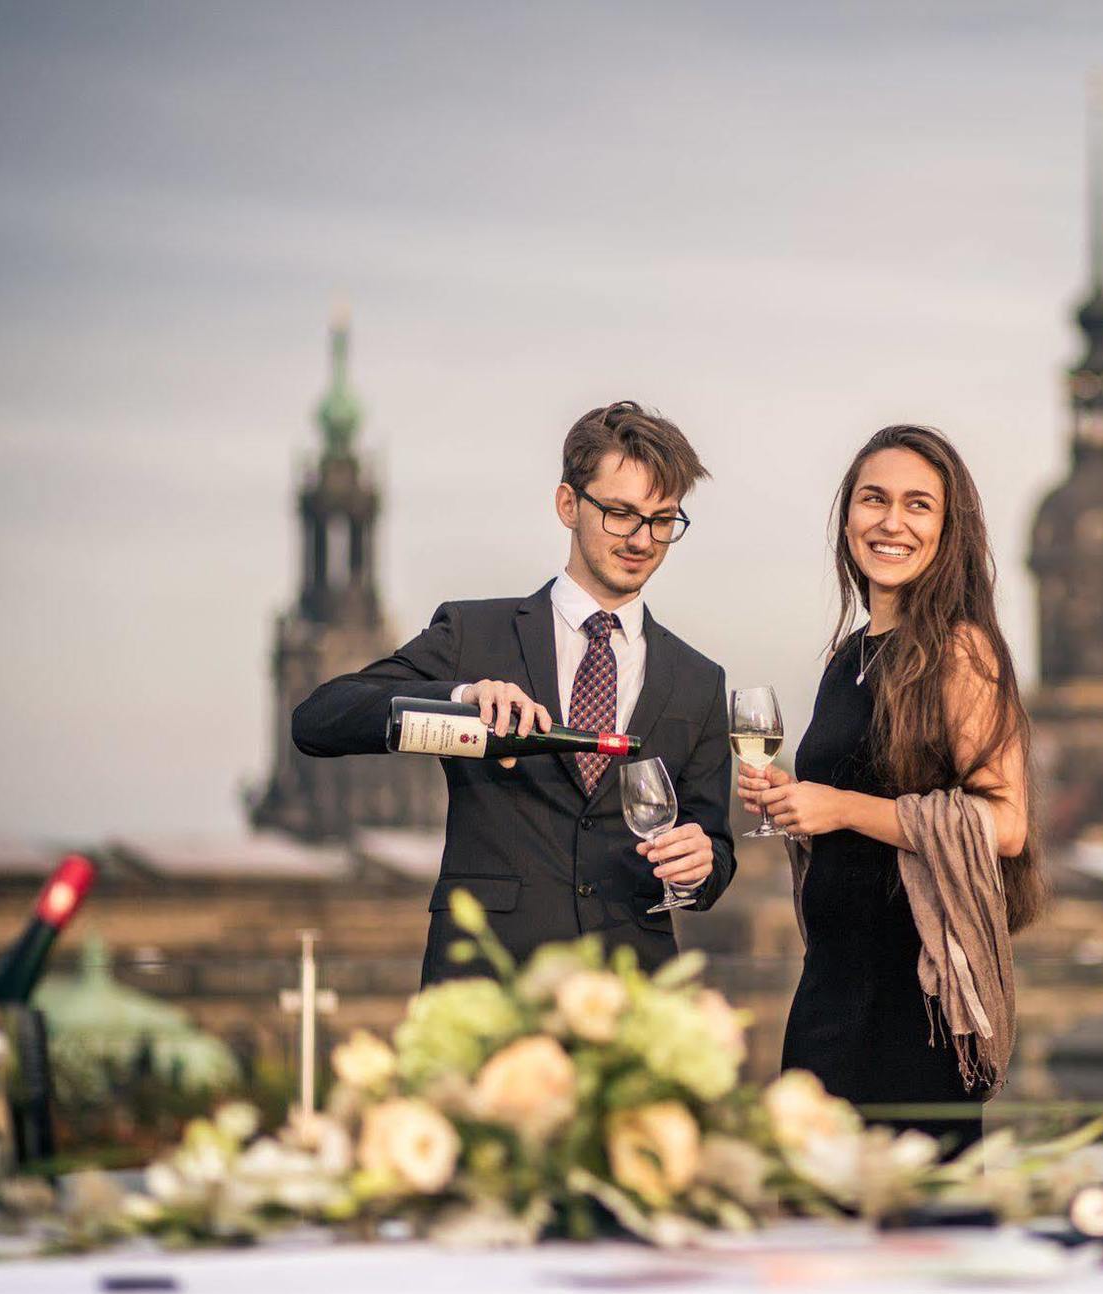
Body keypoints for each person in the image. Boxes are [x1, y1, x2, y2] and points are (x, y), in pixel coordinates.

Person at [293, 401, 736, 986]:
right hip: (485, 987)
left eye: (662, 520)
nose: (642, 539)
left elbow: (714, 847)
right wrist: (457, 696)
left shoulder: (699, 680)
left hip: (630, 1000)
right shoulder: (473, 637)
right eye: (621, 514)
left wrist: (700, 867)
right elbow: (318, 720)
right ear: (568, 505)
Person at [739, 424, 1046, 1153]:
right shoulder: (846, 658)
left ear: (949, 529)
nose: (891, 521)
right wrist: (795, 802)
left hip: (916, 1004)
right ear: (847, 517)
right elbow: (853, 801)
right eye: (874, 499)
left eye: (918, 505)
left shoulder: (960, 649)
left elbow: (1005, 825)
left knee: (911, 1245)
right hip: (829, 990)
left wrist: (837, 806)